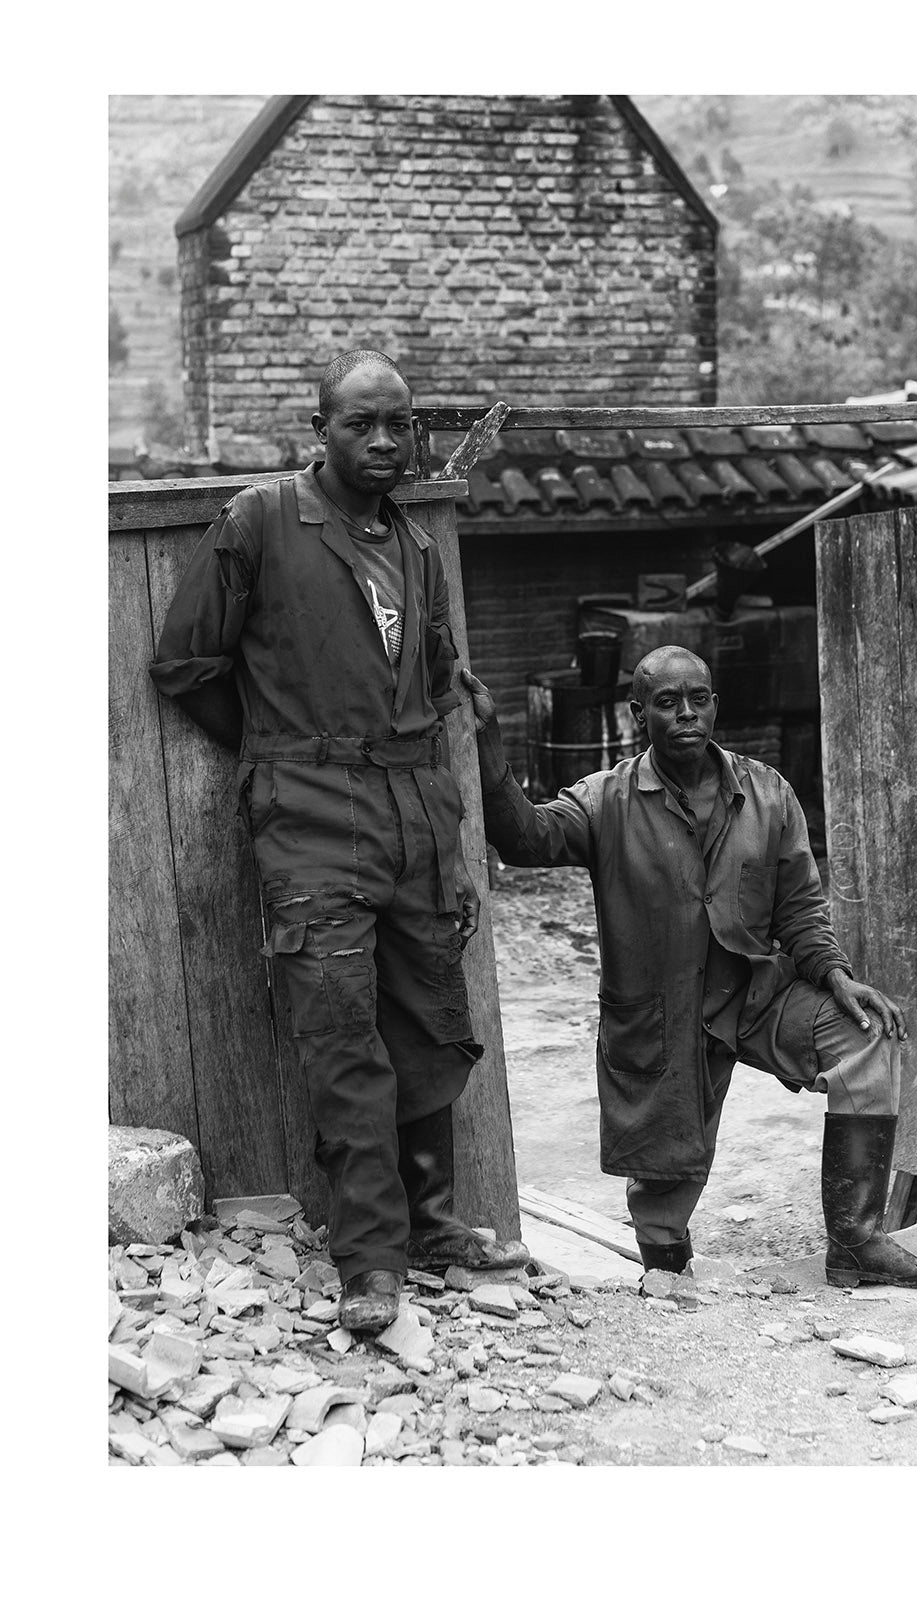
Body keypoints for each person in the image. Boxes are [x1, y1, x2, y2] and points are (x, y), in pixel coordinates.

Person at [150, 348, 527, 1333]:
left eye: (401, 423)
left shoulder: (415, 544)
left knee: (432, 1023)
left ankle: (433, 1224)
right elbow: (184, 664)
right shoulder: (263, 521)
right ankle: (371, 1261)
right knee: (341, 1035)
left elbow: (436, 692)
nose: (386, 441)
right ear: (320, 430)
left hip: (414, 815)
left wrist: (451, 845)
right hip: (313, 820)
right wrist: (283, 751)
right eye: (363, 424)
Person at [464, 646, 917, 1289]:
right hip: (662, 1012)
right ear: (639, 714)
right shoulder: (606, 800)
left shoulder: (767, 793)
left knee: (865, 1040)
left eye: (698, 700)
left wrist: (837, 976)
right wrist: (489, 745)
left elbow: (800, 911)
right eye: (667, 703)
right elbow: (526, 837)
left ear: (715, 706)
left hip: (755, 998)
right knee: (663, 1185)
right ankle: (666, 1280)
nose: (686, 714)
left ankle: (856, 1243)